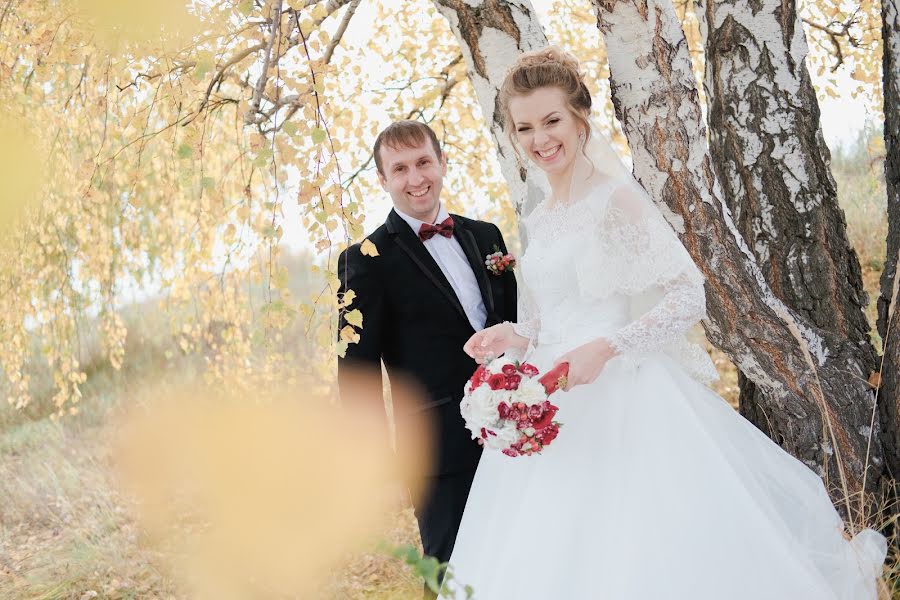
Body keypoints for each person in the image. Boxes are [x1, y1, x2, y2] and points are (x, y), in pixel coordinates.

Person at [442, 47, 886, 599]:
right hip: (549, 397)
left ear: (580, 116)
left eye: (552, 120)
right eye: (525, 126)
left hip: (622, 393)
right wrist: (515, 337)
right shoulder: (536, 217)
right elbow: (541, 316)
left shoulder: (617, 199)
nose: (540, 138)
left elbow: (687, 296)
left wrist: (605, 348)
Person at [336, 121, 517, 596]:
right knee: (449, 572)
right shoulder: (365, 259)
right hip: (437, 448)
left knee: (519, 558)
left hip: (515, 429)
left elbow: (517, 325)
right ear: (382, 179)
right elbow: (356, 371)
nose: (415, 177)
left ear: (441, 163)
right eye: (400, 168)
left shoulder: (486, 236)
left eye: (423, 162)